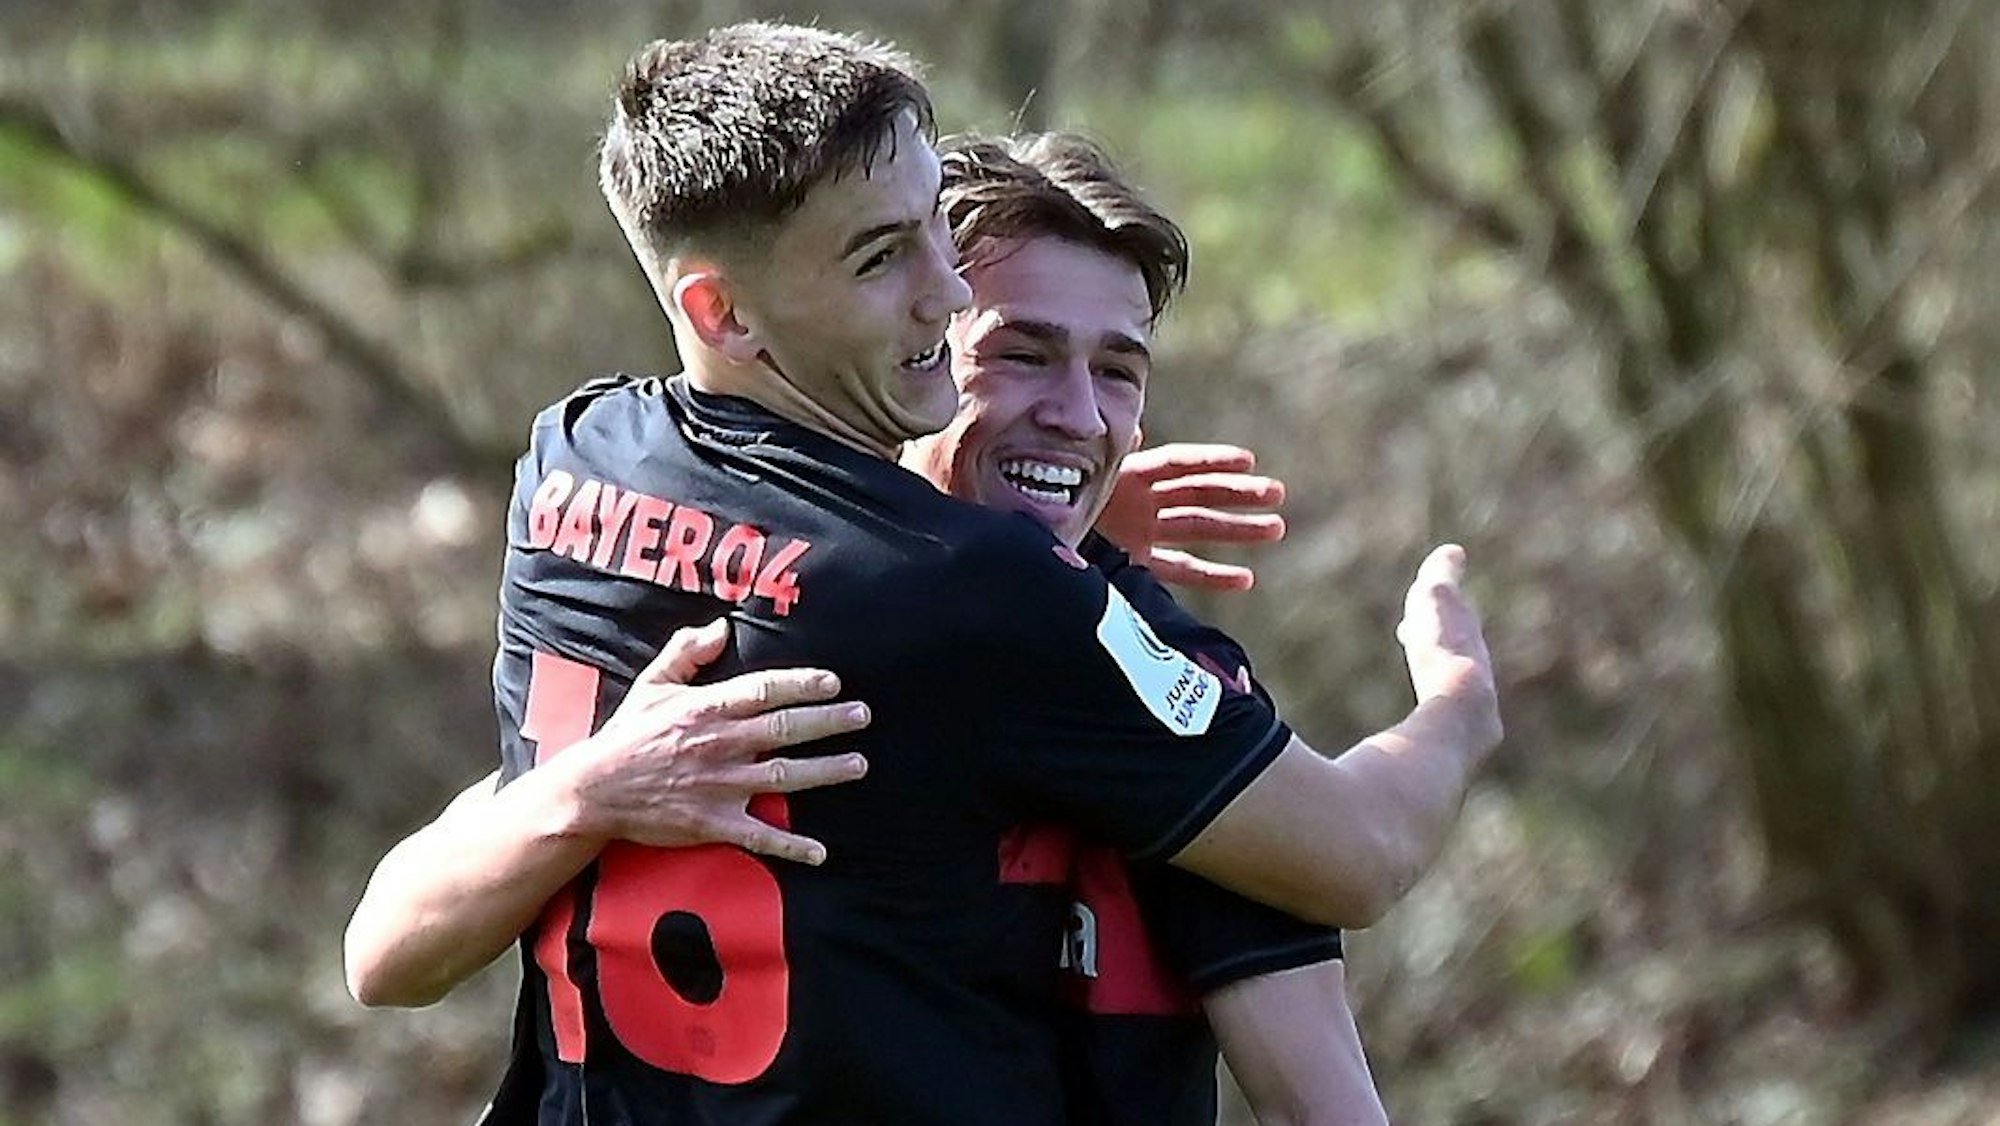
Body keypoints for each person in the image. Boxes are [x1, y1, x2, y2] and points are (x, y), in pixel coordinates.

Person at [345, 22, 1498, 1125]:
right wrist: (1456, 701)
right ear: (723, 309)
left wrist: (1064, 542)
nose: (938, 290)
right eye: (1013, 347)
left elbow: (382, 949)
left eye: (1118, 372)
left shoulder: (578, 461)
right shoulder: (991, 606)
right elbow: (1358, 856)